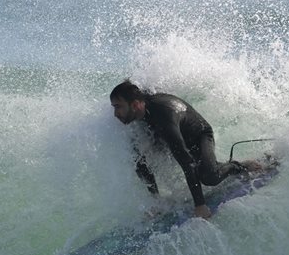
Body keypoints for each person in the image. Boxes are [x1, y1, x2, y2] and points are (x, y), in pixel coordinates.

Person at [110, 80, 260, 219]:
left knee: (209, 177)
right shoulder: (136, 118)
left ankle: (238, 166)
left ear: (136, 105)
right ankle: (157, 200)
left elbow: (185, 161)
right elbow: (140, 164)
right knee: (137, 156)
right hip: (168, 136)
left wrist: (200, 205)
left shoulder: (162, 114)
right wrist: (157, 202)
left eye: (118, 107)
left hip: (198, 135)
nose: (115, 114)